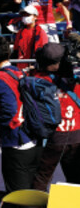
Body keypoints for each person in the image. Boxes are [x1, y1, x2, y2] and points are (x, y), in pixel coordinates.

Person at [0, 36, 42, 192]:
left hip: (16, 142)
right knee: (30, 192)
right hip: (31, 138)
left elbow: (9, 108)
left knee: (18, 195)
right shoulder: (18, 71)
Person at [32, 43, 80, 190]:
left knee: (41, 179)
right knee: (75, 181)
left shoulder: (36, 79)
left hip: (54, 138)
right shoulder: (74, 81)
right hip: (76, 135)